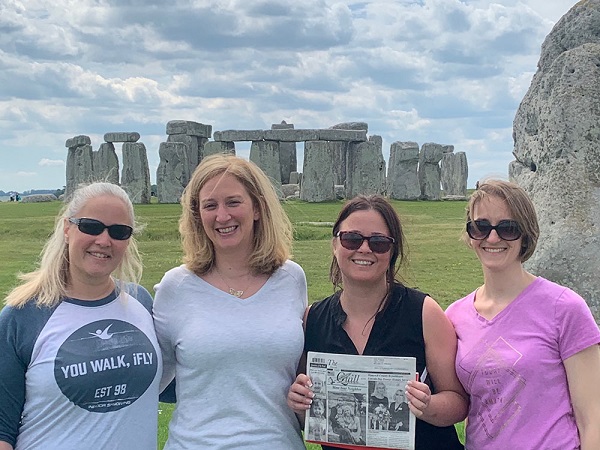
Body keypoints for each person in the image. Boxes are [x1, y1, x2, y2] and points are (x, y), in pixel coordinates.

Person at [288, 194, 467, 450]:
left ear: (392, 251)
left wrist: (428, 406)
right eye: (351, 239)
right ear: (335, 244)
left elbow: (458, 402)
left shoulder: (424, 312)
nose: (364, 249)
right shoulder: (313, 319)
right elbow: (312, 420)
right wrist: (300, 404)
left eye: (379, 242)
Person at [153, 154, 307, 449]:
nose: (222, 216)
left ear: (257, 207)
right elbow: (151, 382)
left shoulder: (291, 279)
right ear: (197, 215)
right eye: (210, 205)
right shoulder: (176, 287)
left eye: (233, 202)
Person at [0, 182, 161, 450]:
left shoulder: (141, 302)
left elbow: (179, 382)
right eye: (91, 226)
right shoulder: (23, 316)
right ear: (67, 229)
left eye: (119, 232)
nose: (104, 241)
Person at [446, 179, 600, 450]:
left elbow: (592, 417)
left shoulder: (564, 308)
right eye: (481, 227)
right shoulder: (455, 316)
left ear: (525, 235)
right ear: (470, 236)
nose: (492, 238)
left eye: (508, 228)